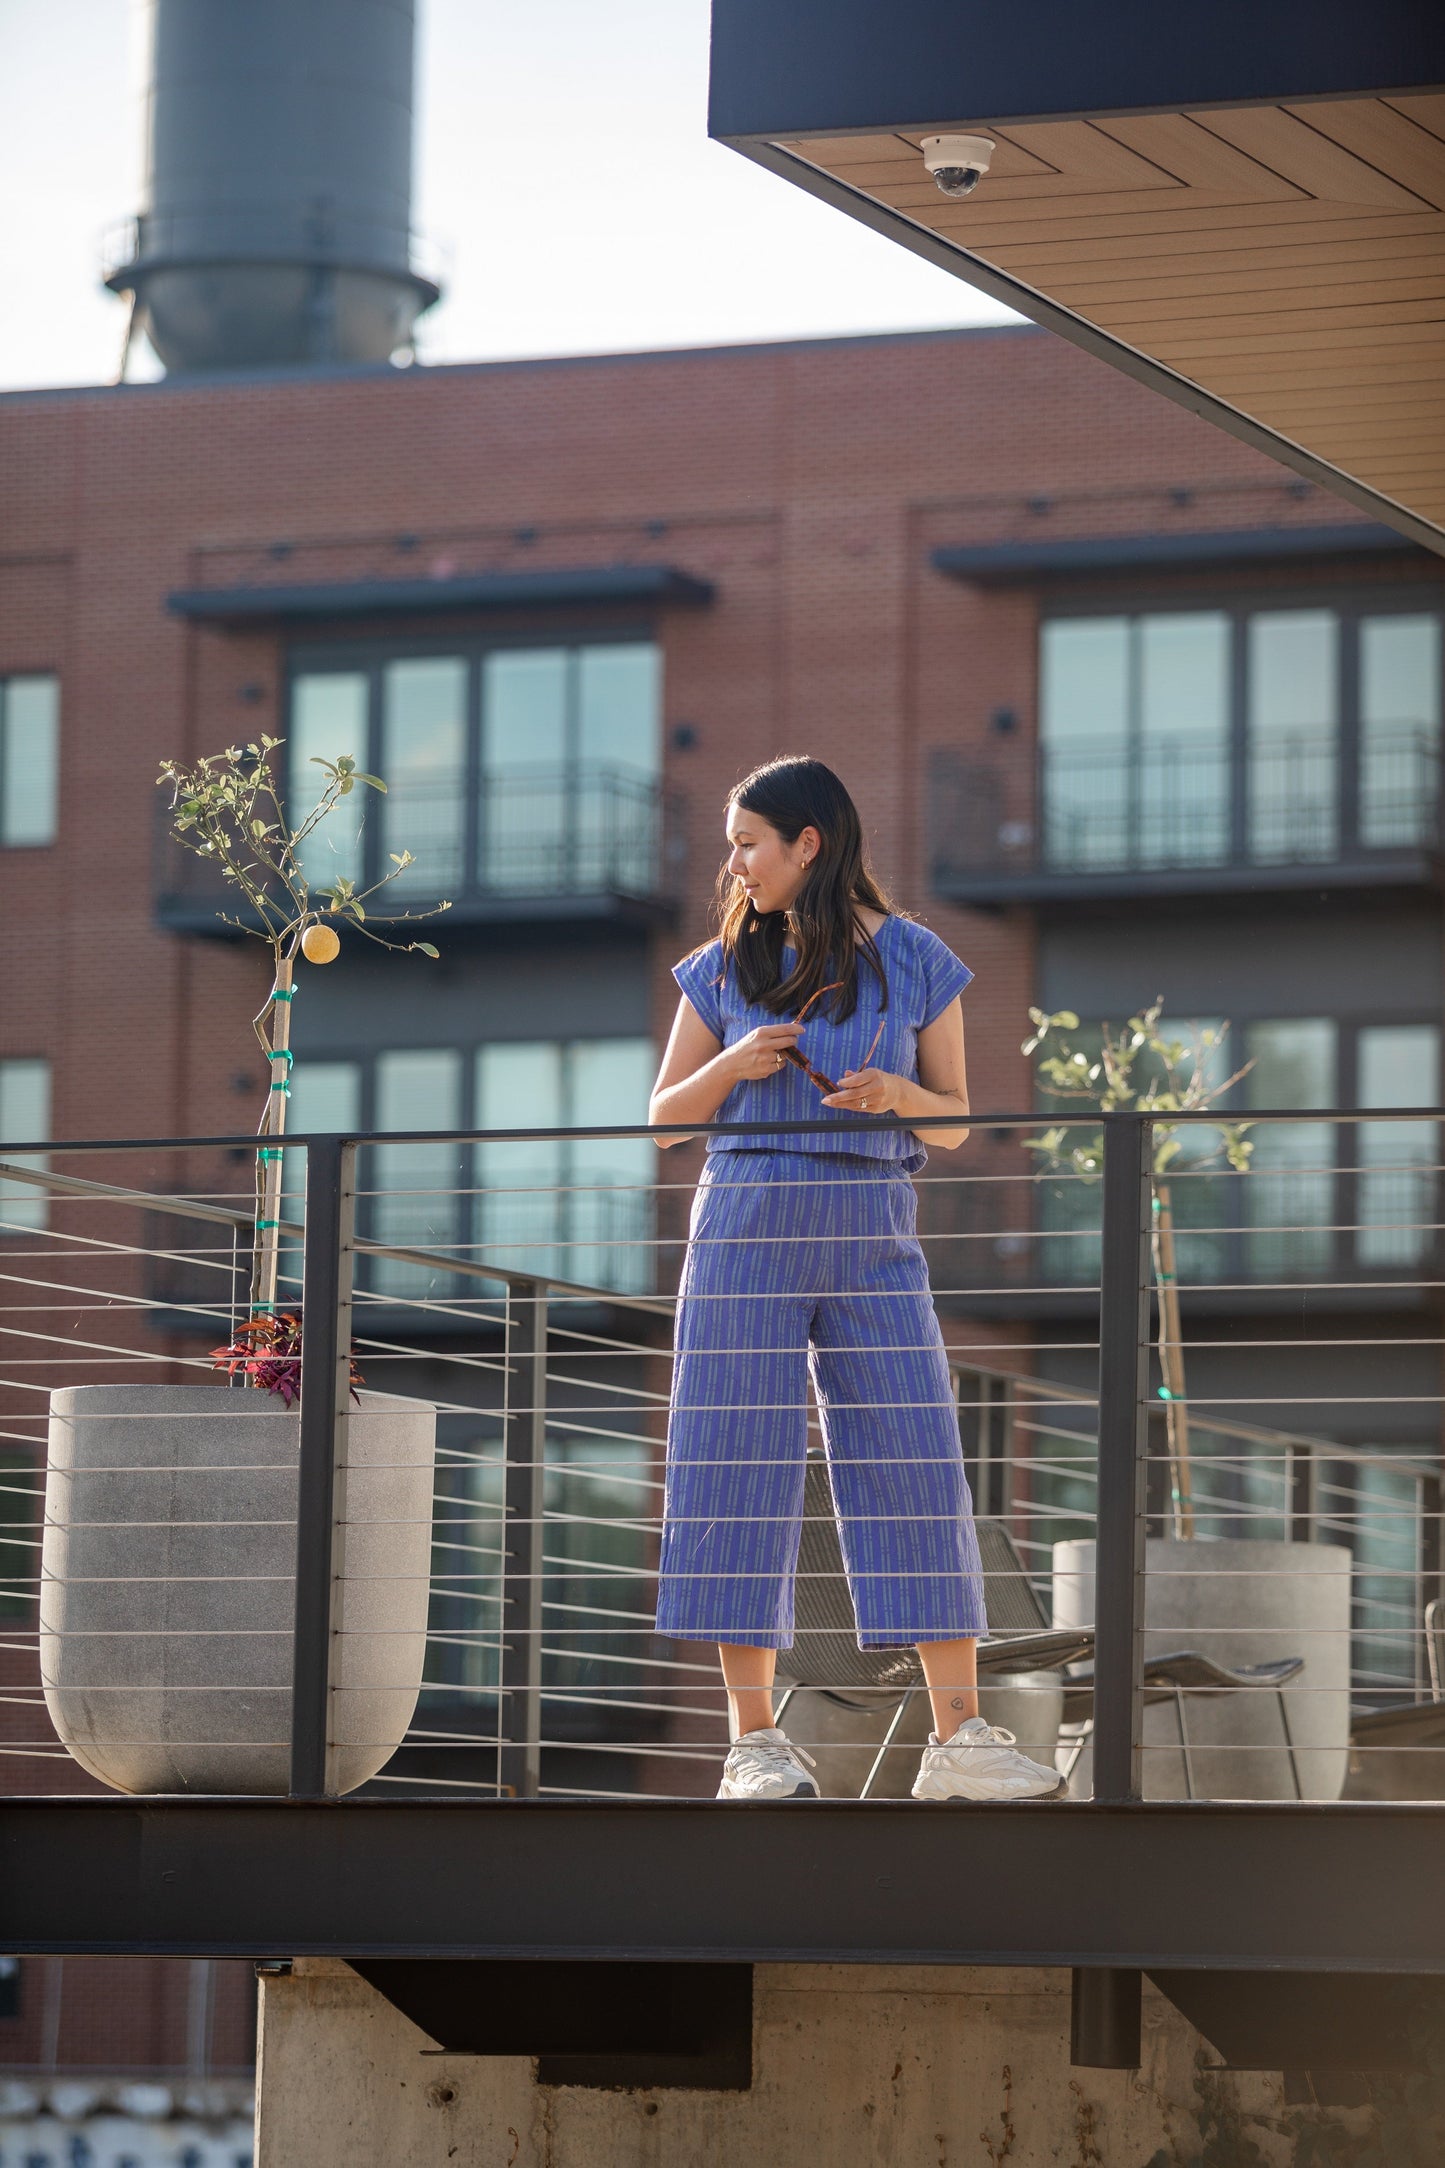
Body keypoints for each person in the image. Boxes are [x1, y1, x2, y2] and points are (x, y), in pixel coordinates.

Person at [649, 756, 1062, 1803]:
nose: (732, 860)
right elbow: (663, 1115)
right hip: (741, 1218)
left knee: (914, 1449)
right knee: (733, 1453)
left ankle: (960, 1740)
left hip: (873, 1221)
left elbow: (957, 1117)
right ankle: (753, 1743)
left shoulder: (919, 957)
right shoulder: (721, 963)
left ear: (809, 844)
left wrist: (896, 1092)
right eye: (731, 842)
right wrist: (729, 1067)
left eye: (749, 841)